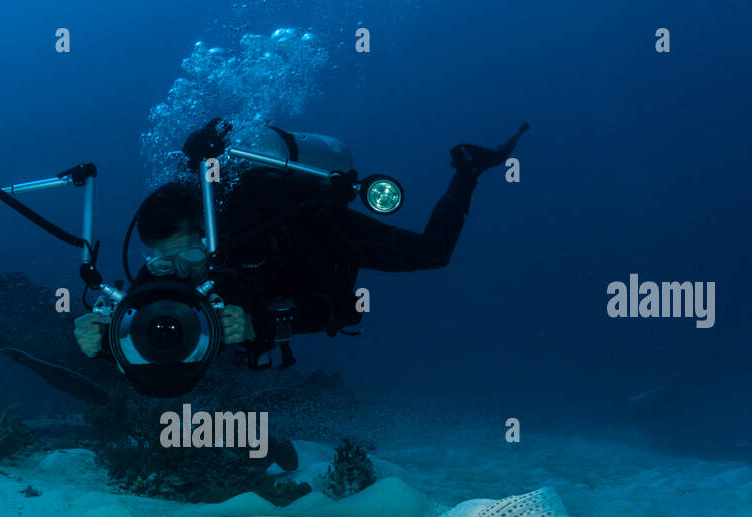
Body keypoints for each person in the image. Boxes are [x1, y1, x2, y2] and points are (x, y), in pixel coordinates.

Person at [75, 118, 528, 369]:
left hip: (314, 231)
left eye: (189, 256)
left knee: (433, 253)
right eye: (161, 262)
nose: (180, 273)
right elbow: (142, 316)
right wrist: (102, 338)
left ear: (209, 238)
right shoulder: (169, 262)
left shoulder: (275, 230)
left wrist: (261, 328)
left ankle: (468, 168)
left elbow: (339, 308)